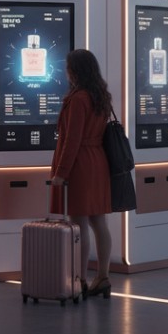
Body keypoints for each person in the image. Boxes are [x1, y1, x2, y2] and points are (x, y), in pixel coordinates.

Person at [48, 48, 114, 298]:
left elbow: (71, 140)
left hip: (80, 165)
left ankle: (80, 279)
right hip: (99, 161)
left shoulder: (78, 98)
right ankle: (103, 276)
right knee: (99, 222)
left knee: (79, 224)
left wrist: (61, 173)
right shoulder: (100, 95)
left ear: (74, 70)